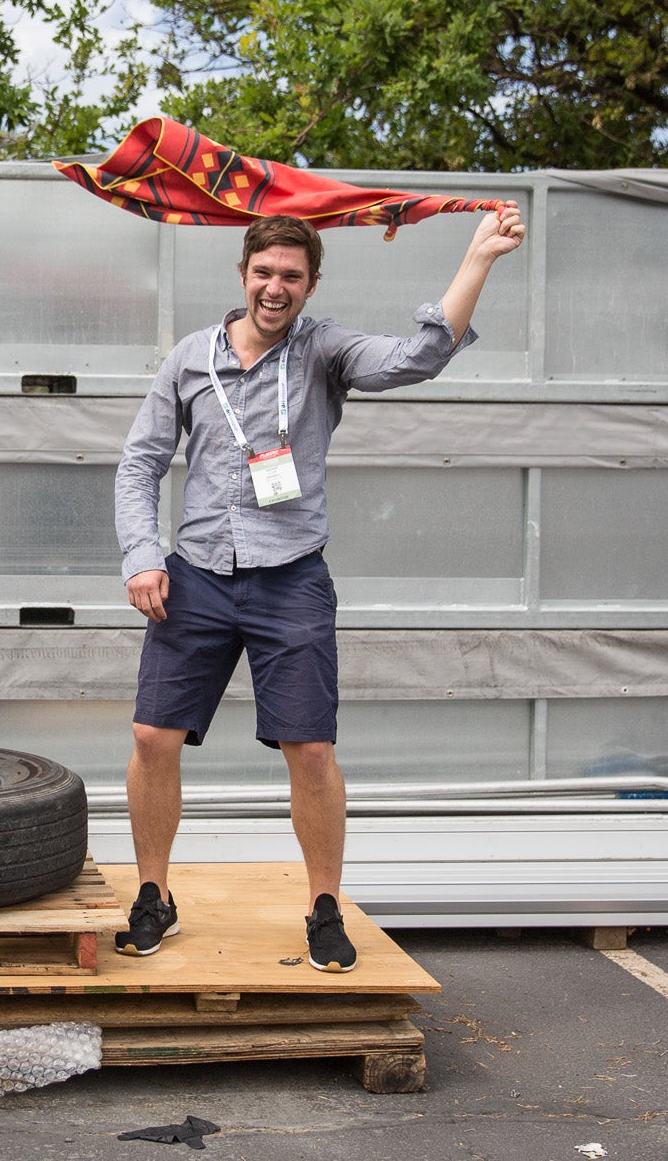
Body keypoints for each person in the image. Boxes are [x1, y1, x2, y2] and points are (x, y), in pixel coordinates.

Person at [112, 207, 524, 971]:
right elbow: (140, 463)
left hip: (291, 576)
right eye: (264, 273)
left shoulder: (324, 348)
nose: (276, 288)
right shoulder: (190, 359)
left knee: (310, 750)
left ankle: (324, 906)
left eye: (291, 277)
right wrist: (142, 556)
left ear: (309, 286)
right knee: (151, 736)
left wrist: (479, 259)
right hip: (197, 573)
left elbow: (414, 359)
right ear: (244, 275)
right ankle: (153, 895)